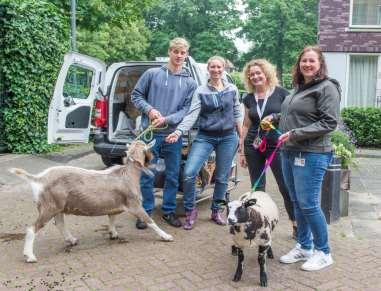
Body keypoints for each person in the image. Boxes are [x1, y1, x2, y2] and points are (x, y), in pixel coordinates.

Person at [262, 45, 340, 271]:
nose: (307, 64)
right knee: (297, 201)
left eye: (311, 61)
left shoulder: (327, 87)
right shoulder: (298, 88)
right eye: (303, 61)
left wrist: (295, 134)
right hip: (289, 152)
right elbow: (291, 114)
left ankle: (324, 251)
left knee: (309, 204)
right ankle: (304, 246)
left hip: (313, 153)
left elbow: (329, 122)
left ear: (320, 64)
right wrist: (274, 117)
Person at [166, 56, 242, 230]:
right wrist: (178, 131)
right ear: (208, 69)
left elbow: (237, 111)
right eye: (213, 67)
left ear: (224, 68)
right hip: (205, 136)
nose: (216, 70)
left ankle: (217, 210)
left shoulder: (232, 89)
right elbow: (192, 114)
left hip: (228, 137)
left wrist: (242, 137)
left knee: (223, 177)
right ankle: (190, 211)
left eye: (219, 67)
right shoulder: (200, 90)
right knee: (190, 172)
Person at [131, 37, 197, 229]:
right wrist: (150, 110)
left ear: (186, 55)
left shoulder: (190, 83)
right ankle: (146, 212)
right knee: (146, 174)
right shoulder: (152, 74)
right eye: (175, 51)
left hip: (173, 135)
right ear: (169, 52)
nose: (179, 55)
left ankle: (168, 211)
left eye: (182, 52)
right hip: (149, 134)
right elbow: (136, 95)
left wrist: (167, 119)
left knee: (172, 174)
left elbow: (187, 110)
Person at [239, 59, 296, 238]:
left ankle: (296, 225)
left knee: (284, 186)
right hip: (253, 145)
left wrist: (275, 116)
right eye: (252, 74)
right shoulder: (248, 98)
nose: (255, 76)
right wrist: (241, 150)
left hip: (276, 145)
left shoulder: (281, 94)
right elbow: (246, 125)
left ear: (266, 74)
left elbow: (291, 116)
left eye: (258, 73)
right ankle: (259, 223)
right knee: (258, 189)